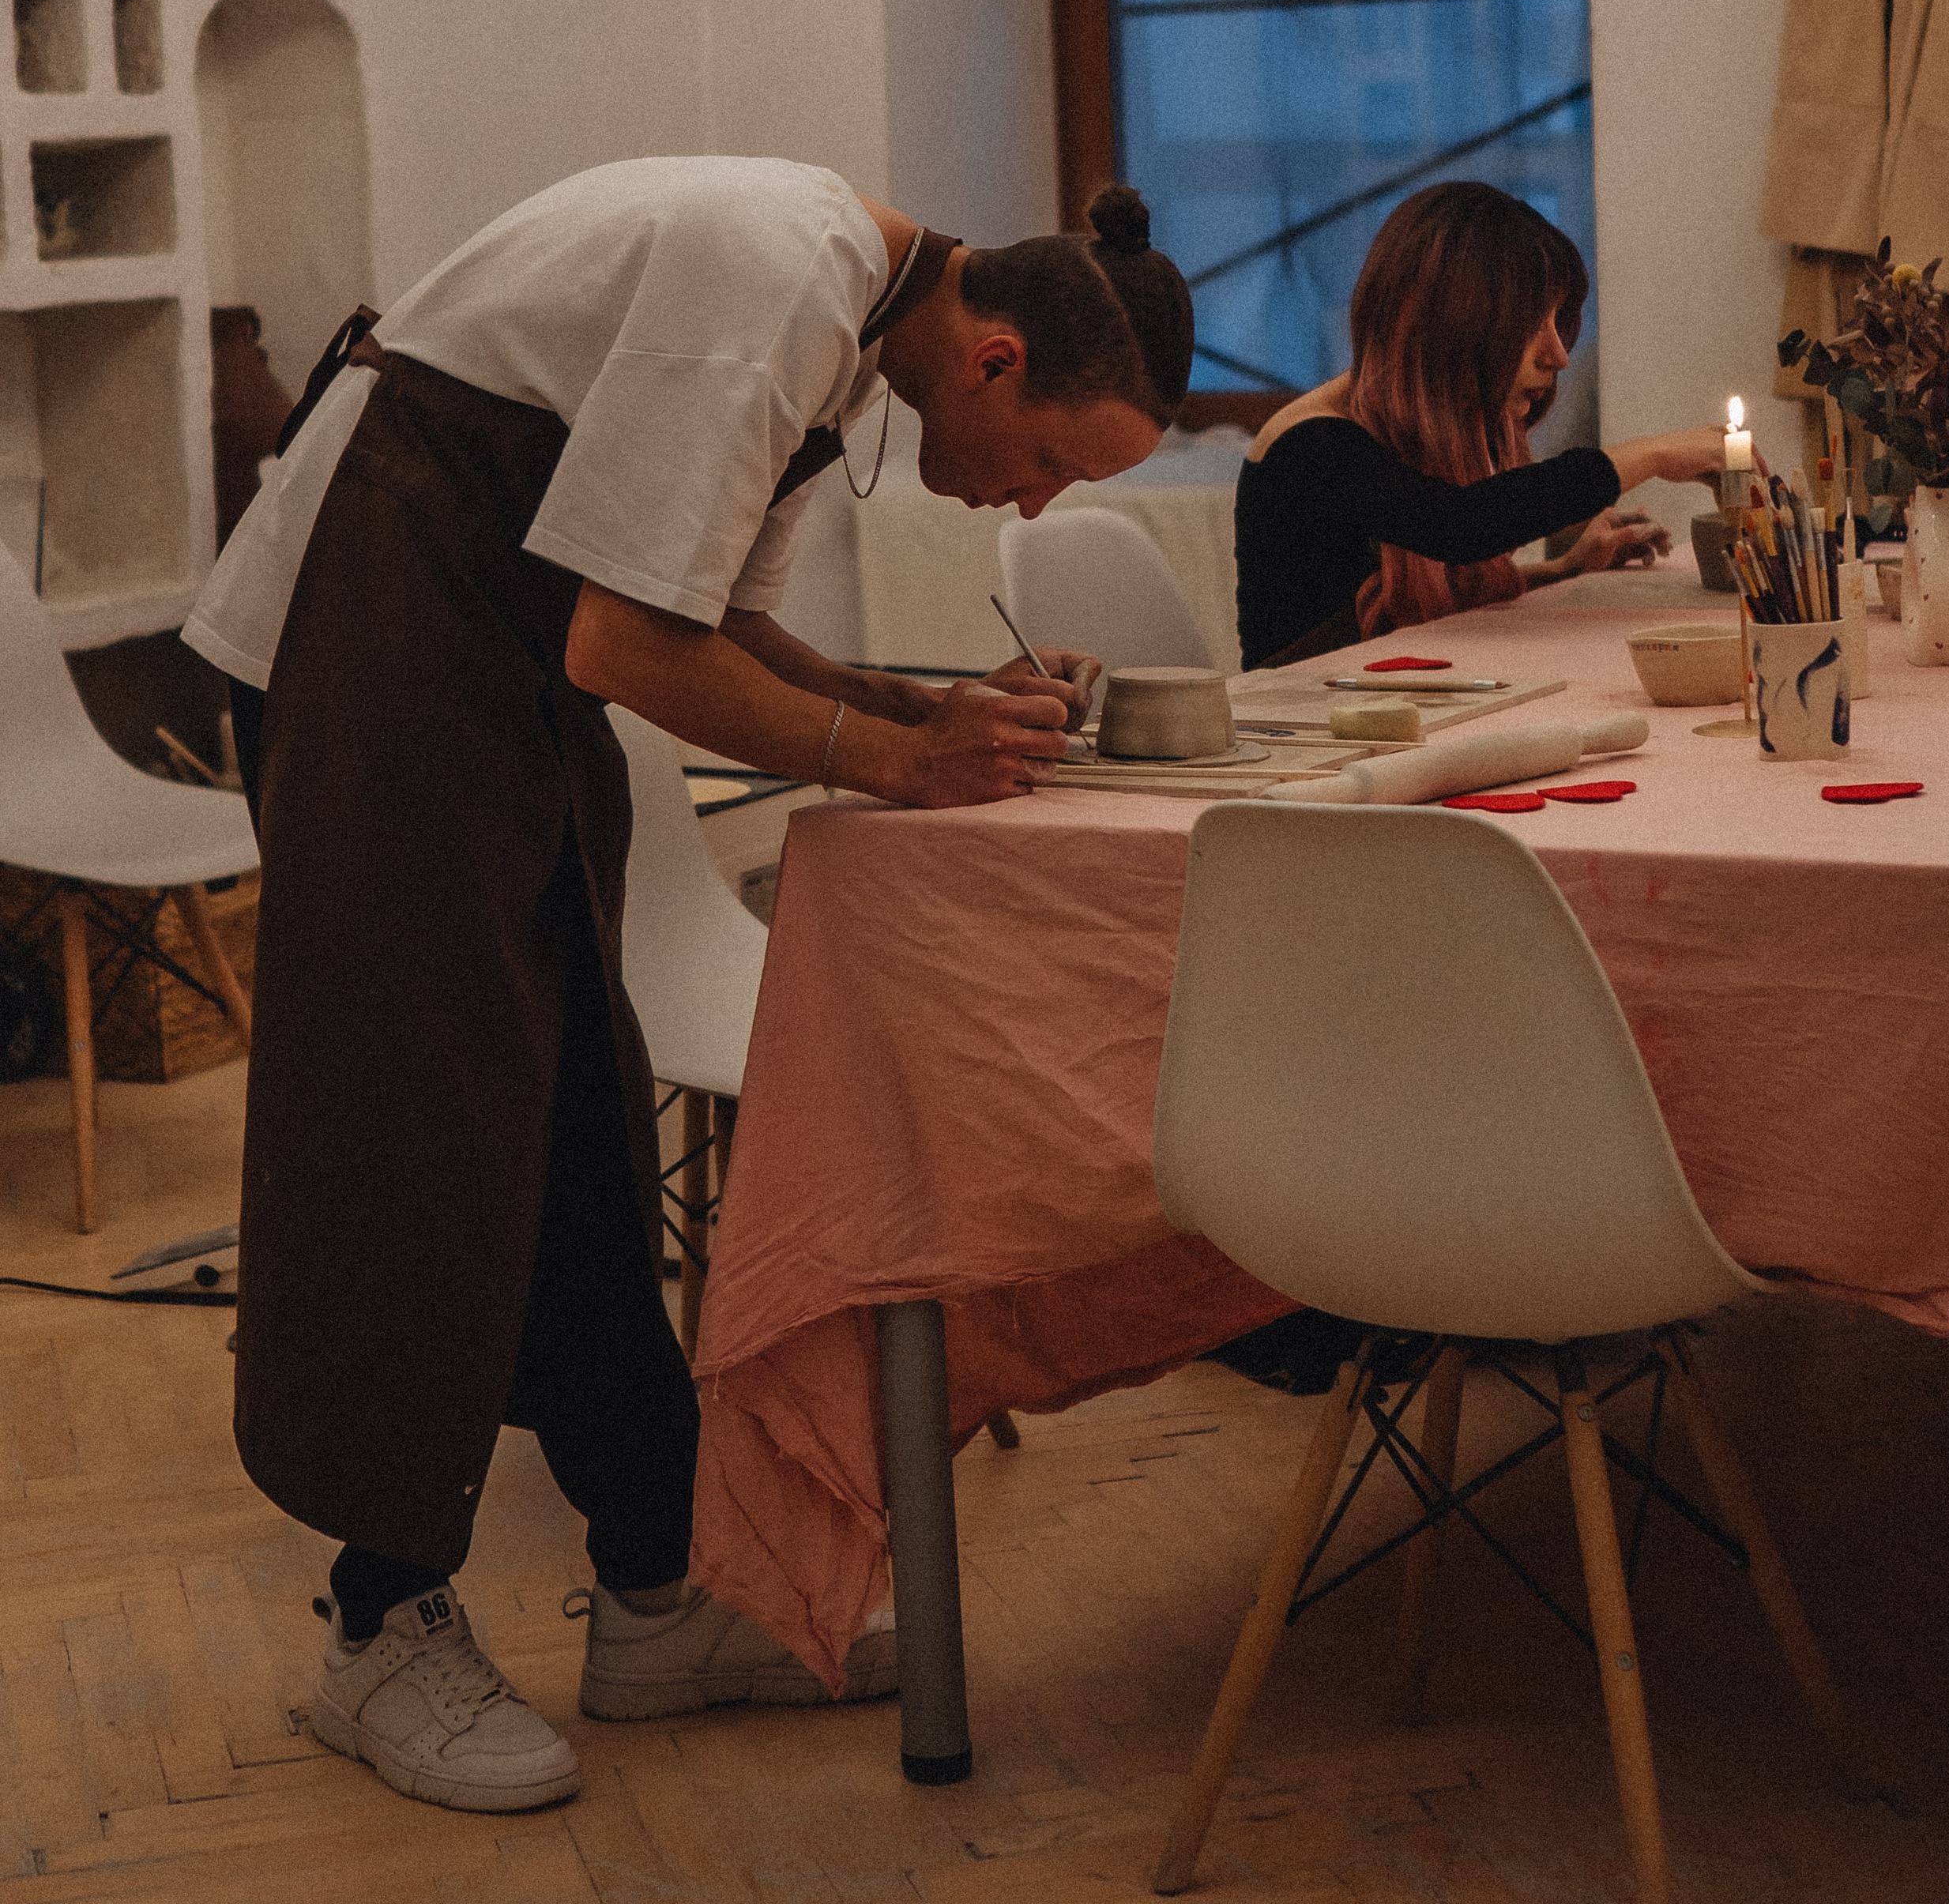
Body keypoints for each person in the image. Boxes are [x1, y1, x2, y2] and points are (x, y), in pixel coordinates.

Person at [183, 157, 1191, 1816]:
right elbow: (627, 650)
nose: (1028, 511)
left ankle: (657, 1587)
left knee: (580, 1110)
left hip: (479, 663)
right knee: (416, 1133)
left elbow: (711, 619)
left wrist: (914, 709)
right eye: (1048, 469)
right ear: (996, 359)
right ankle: (375, 1627)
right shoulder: (779, 276)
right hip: (366, 641)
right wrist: (891, 761)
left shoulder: (845, 323)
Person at [1233, 182, 1744, 668]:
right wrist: (1654, 454)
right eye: (1532, 325)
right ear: (1455, 323)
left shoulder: (1405, 426)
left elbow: (1427, 603)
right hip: (1295, 718)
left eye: (1557, 322)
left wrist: (1563, 569)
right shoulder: (1311, 442)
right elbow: (1457, 524)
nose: (1559, 356)